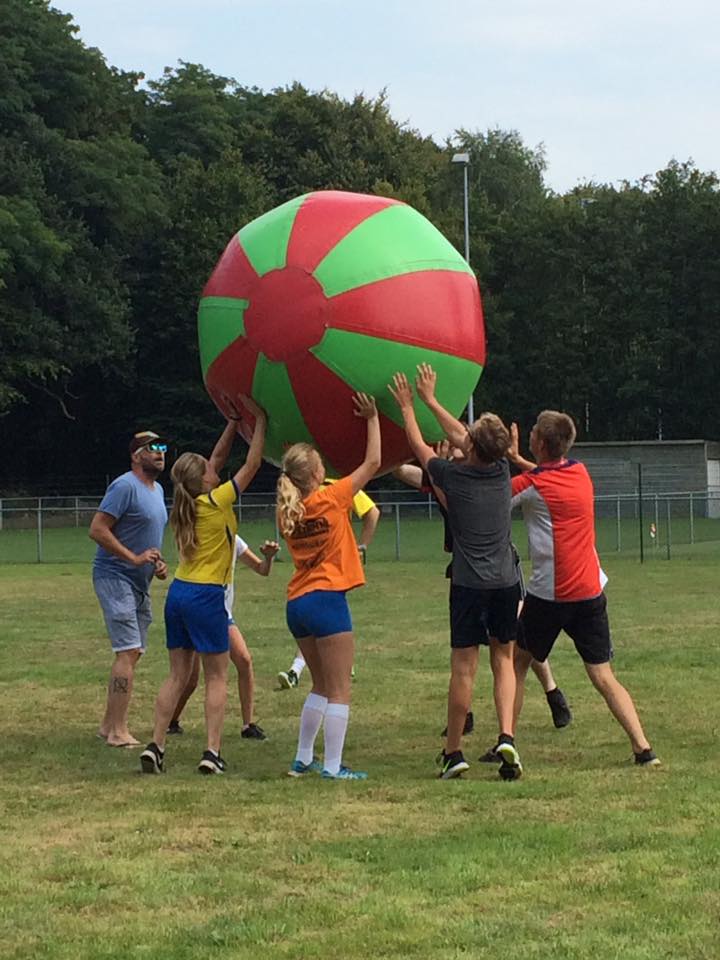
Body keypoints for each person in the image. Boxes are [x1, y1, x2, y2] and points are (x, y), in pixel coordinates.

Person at [389, 369, 522, 781]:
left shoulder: (454, 475)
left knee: (464, 669)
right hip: (506, 581)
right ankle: (506, 736)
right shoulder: (503, 473)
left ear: (474, 445)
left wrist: (412, 404)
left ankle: (453, 752)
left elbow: (417, 444)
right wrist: (431, 402)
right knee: (504, 660)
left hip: (469, 585)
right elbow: (469, 438)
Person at [506, 412, 661, 767]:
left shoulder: (532, 485)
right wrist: (518, 460)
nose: (528, 435)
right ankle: (643, 747)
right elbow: (547, 475)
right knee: (603, 675)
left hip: (550, 595)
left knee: (517, 662)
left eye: (532, 433)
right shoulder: (579, 471)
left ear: (541, 443)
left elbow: (493, 496)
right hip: (590, 591)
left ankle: (507, 740)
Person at [394, 453, 572, 748]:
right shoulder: (449, 474)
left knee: (514, 640)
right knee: (481, 651)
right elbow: (403, 470)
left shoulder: (475, 474)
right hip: (476, 569)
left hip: (496, 567)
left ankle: (552, 692)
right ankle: (472, 717)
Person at [140, 401, 266, 775]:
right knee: (216, 676)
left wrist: (232, 423)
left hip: (178, 593)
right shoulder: (218, 500)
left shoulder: (187, 502)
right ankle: (211, 752)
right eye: (210, 469)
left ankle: (155, 745)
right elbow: (252, 464)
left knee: (176, 677)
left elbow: (217, 457)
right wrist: (259, 422)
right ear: (206, 479)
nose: (216, 468)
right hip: (207, 596)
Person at [278, 392, 381, 780]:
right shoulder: (333, 497)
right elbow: (372, 462)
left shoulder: (287, 508)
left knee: (319, 685)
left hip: (297, 602)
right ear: (316, 475)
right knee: (339, 689)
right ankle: (334, 767)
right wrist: (371, 418)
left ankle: (303, 758)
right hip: (326, 600)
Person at [90, 431, 169, 747]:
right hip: (114, 576)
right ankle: (119, 732)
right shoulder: (124, 486)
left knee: (133, 652)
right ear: (136, 455)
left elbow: (145, 537)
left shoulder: (158, 489)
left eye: (163, 447)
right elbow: (97, 529)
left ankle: (108, 725)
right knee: (127, 651)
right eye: (153, 448)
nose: (161, 452)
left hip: (139, 581)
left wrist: (155, 563)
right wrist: (134, 558)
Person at [168, 533, 280, 740]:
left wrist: (269, 558)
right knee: (190, 679)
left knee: (244, 660)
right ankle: (170, 722)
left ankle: (248, 724)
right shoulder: (200, 535)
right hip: (200, 608)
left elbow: (261, 570)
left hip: (221, 614)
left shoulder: (234, 540)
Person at [277, 483, 380, 690]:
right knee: (335, 691)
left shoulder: (293, 490)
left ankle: (297, 669)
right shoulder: (338, 488)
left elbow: (285, 530)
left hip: (300, 589)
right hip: (330, 580)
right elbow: (373, 511)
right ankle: (308, 667)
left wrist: (360, 546)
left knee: (321, 683)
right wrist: (361, 547)